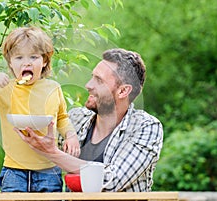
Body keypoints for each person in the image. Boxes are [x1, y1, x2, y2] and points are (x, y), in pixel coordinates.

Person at [14, 48, 164, 192]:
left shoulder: (145, 127)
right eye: (92, 77)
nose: (88, 85)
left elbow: (112, 180)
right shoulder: (75, 119)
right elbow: (37, 140)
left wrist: (53, 153)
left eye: (99, 80)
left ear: (123, 91)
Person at [0, 26, 80, 192]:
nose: (26, 62)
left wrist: (71, 135)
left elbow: (62, 118)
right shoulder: (5, 88)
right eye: (19, 57)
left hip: (49, 170)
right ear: (10, 62)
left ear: (44, 61)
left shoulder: (53, 88)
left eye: (34, 56)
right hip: (14, 170)